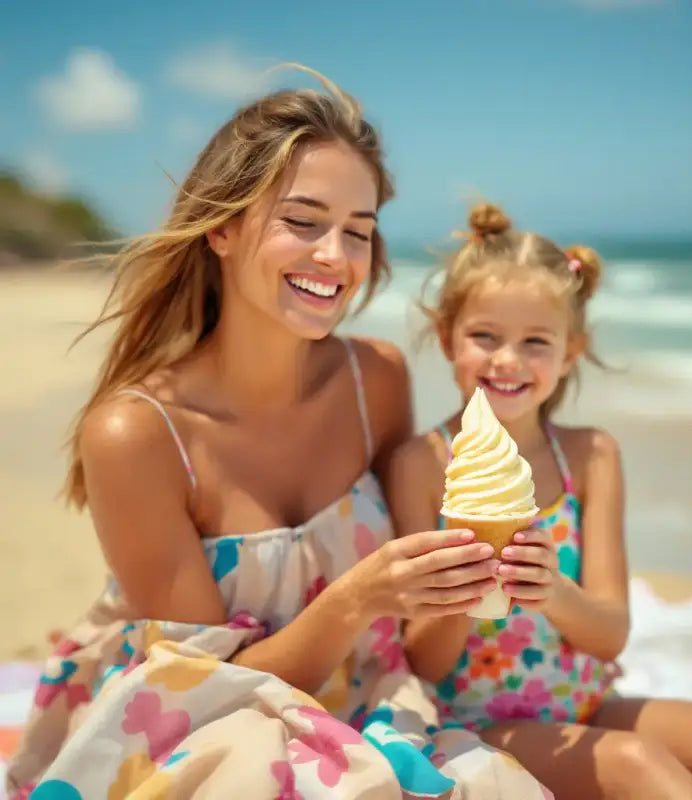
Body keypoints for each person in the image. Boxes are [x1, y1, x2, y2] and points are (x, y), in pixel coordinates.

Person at [5, 78, 554, 799]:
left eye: (357, 230)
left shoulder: (375, 381)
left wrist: (475, 580)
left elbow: (419, 653)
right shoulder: (135, 434)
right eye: (304, 220)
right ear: (222, 228)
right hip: (196, 726)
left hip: (365, 701)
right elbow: (202, 696)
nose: (335, 256)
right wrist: (353, 600)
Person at [387, 201, 692, 799]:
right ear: (447, 336)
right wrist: (468, 587)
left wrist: (554, 592)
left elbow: (610, 634)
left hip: (584, 699)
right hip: (473, 724)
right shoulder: (420, 464)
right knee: (635, 764)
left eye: (536, 341)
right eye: (485, 336)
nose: (508, 359)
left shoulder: (590, 456)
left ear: (570, 353)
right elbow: (423, 661)